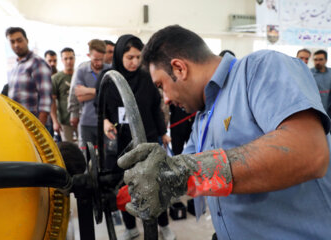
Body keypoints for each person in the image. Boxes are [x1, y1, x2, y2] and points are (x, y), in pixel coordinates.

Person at [117, 25, 331, 239]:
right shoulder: (202, 118)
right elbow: (179, 169)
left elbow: (309, 152)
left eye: (161, 85)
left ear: (179, 68)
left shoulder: (260, 68)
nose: (165, 99)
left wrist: (187, 172)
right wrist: (128, 188)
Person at [99, 34, 174, 240]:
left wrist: (163, 133)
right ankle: (130, 227)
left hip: (148, 139)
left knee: (155, 184)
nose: (134, 62)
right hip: (122, 141)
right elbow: (102, 109)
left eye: (138, 57)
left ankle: (164, 225)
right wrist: (105, 122)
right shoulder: (109, 79)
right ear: (119, 56)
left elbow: (155, 109)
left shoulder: (147, 78)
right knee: (125, 186)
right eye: (129, 57)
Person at [5, 27, 52, 125]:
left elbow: (45, 99)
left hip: (33, 125)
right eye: (12, 42)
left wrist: (39, 129)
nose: (16, 45)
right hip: (18, 123)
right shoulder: (15, 67)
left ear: (27, 40)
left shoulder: (37, 63)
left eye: (19, 40)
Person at [68, 39, 109, 145]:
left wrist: (88, 91)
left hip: (106, 121)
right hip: (86, 120)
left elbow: (111, 94)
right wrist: (102, 92)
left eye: (101, 59)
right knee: (86, 153)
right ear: (88, 55)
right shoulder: (81, 70)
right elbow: (78, 96)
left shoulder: (110, 70)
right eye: (95, 59)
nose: (99, 63)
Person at [51, 47, 77, 142]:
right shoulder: (56, 78)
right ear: (62, 60)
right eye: (65, 58)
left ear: (74, 59)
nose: (68, 61)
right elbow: (52, 101)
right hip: (64, 121)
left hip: (81, 119)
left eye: (71, 58)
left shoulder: (80, 75)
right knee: (68, 149)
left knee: (85, 148)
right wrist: (55, 121)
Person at [311, 49, 331, 118]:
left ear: (326, 60)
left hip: (329, 111)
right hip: (314, 111)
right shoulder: (309, 74)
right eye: (315, 60)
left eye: (320, 59)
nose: (317, 62)